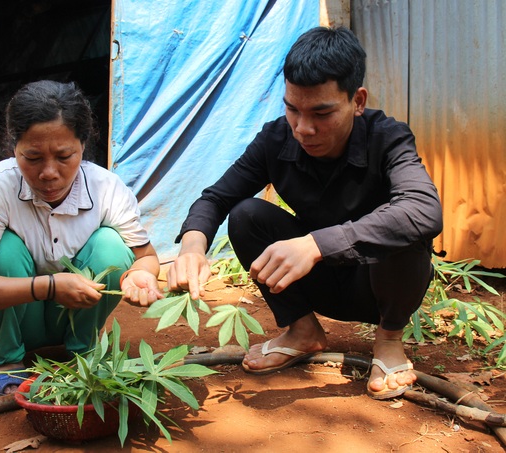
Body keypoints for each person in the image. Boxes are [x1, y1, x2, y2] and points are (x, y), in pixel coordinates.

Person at [167, 26, 443, 400]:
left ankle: (389, 340)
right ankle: (302, 331)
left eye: (321, 112)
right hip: (317, 283)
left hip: (380, 288)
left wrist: (316, 244)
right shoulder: (276, 138)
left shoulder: (387, 137)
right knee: (247, 214)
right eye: (292, 109)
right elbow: (215, 198)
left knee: (405, 227)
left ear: (357, 101)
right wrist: (192, 246)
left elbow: (424, 210)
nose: (303, 128)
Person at [0, 80, 162, 395]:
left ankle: (83, 350)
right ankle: (7, 360)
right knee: (2, 250)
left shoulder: (106, 189)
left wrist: (140, 274)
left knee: (110, 245)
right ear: (12, 148)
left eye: (64, 155)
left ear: (83, 145)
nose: (48, 172)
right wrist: (48, 287)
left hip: (74, 316)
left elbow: (147, 257)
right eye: (32, 157)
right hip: (4, 321)